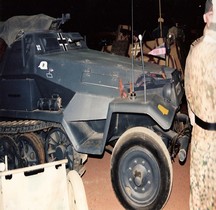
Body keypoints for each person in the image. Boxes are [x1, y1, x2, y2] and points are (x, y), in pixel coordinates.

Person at [184, 0, 216, 209]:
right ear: (205, 17)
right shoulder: (197, 51)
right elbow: (189, 94)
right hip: (205, 139)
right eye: (213, 13)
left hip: (203, 137)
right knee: (201, 198)